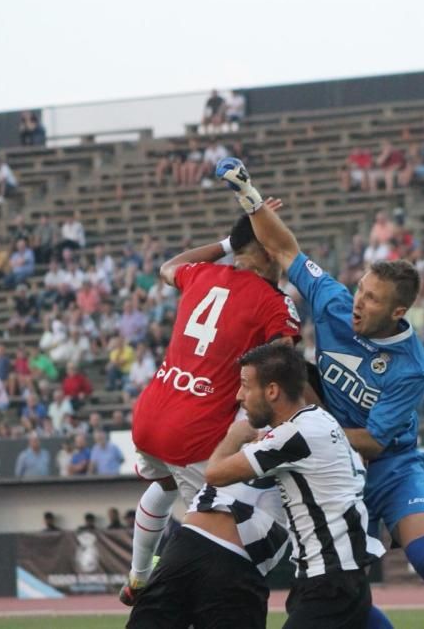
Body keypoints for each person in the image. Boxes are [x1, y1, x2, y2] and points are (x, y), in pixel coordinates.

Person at [218, 157, 424, 628]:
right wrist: (250, 195)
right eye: (361, 290)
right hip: (339, 470)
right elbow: (285, 250)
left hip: (390, 466)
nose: (358, 303)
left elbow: (377, 442)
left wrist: (311, 434)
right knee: (343, 581)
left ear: (398, 310)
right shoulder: (334, 302)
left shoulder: (411, 368)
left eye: (371, 299)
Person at [120, 212, 302, 605]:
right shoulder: (274, 303)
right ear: (270, 252)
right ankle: (178, 605)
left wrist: (226, 244)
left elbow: (169, 267)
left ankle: (137, 578)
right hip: (194, 431)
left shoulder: (201, 274)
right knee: (221, 537)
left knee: (164, 483)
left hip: (150, 415)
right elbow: (284, 365)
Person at [204, 344, 384, 629]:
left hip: (331, 580)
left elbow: (214, 474)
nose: (239, 396)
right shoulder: (319, 420)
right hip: (332, 576)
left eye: (245, 386)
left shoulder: (294, 435)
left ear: (272, 391)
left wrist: (234, 435)